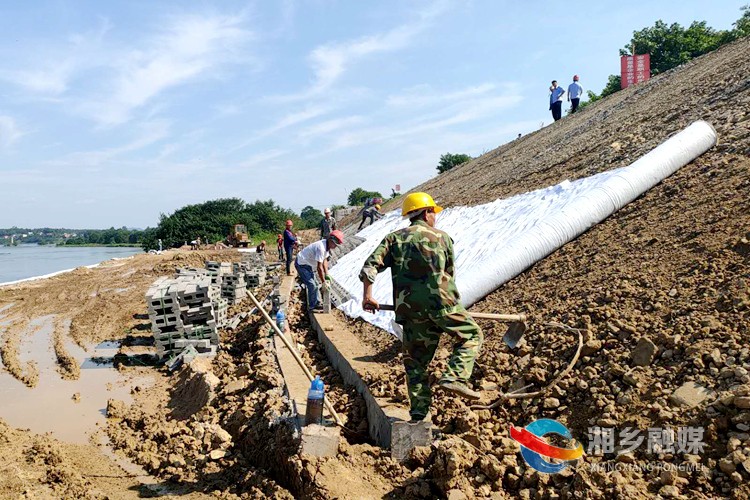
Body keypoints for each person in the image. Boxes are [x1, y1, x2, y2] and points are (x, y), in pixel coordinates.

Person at [359, 192, 483, 422]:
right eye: (433, 213)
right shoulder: (443, 238)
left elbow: (370, 266)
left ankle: (418, 415)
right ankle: (455, 377)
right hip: (443, 304)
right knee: (471, 335)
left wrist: (368, 296)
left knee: (416, 363)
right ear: (426, 213)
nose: (435, 217)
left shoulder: (393, 239)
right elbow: (450, 275)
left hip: (410, 310)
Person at [295, 230, 345, 311]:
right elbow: (319, 267)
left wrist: (327, 274)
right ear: (330, 240)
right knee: (312, 285)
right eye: (335, 244)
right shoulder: (321, 247)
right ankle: (312, 306)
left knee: (316, 284)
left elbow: (324, 261)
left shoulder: (327, 246)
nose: (335, 246)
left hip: (307, 264)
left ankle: (317, 303)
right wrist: (323, 282)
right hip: (301, 264)